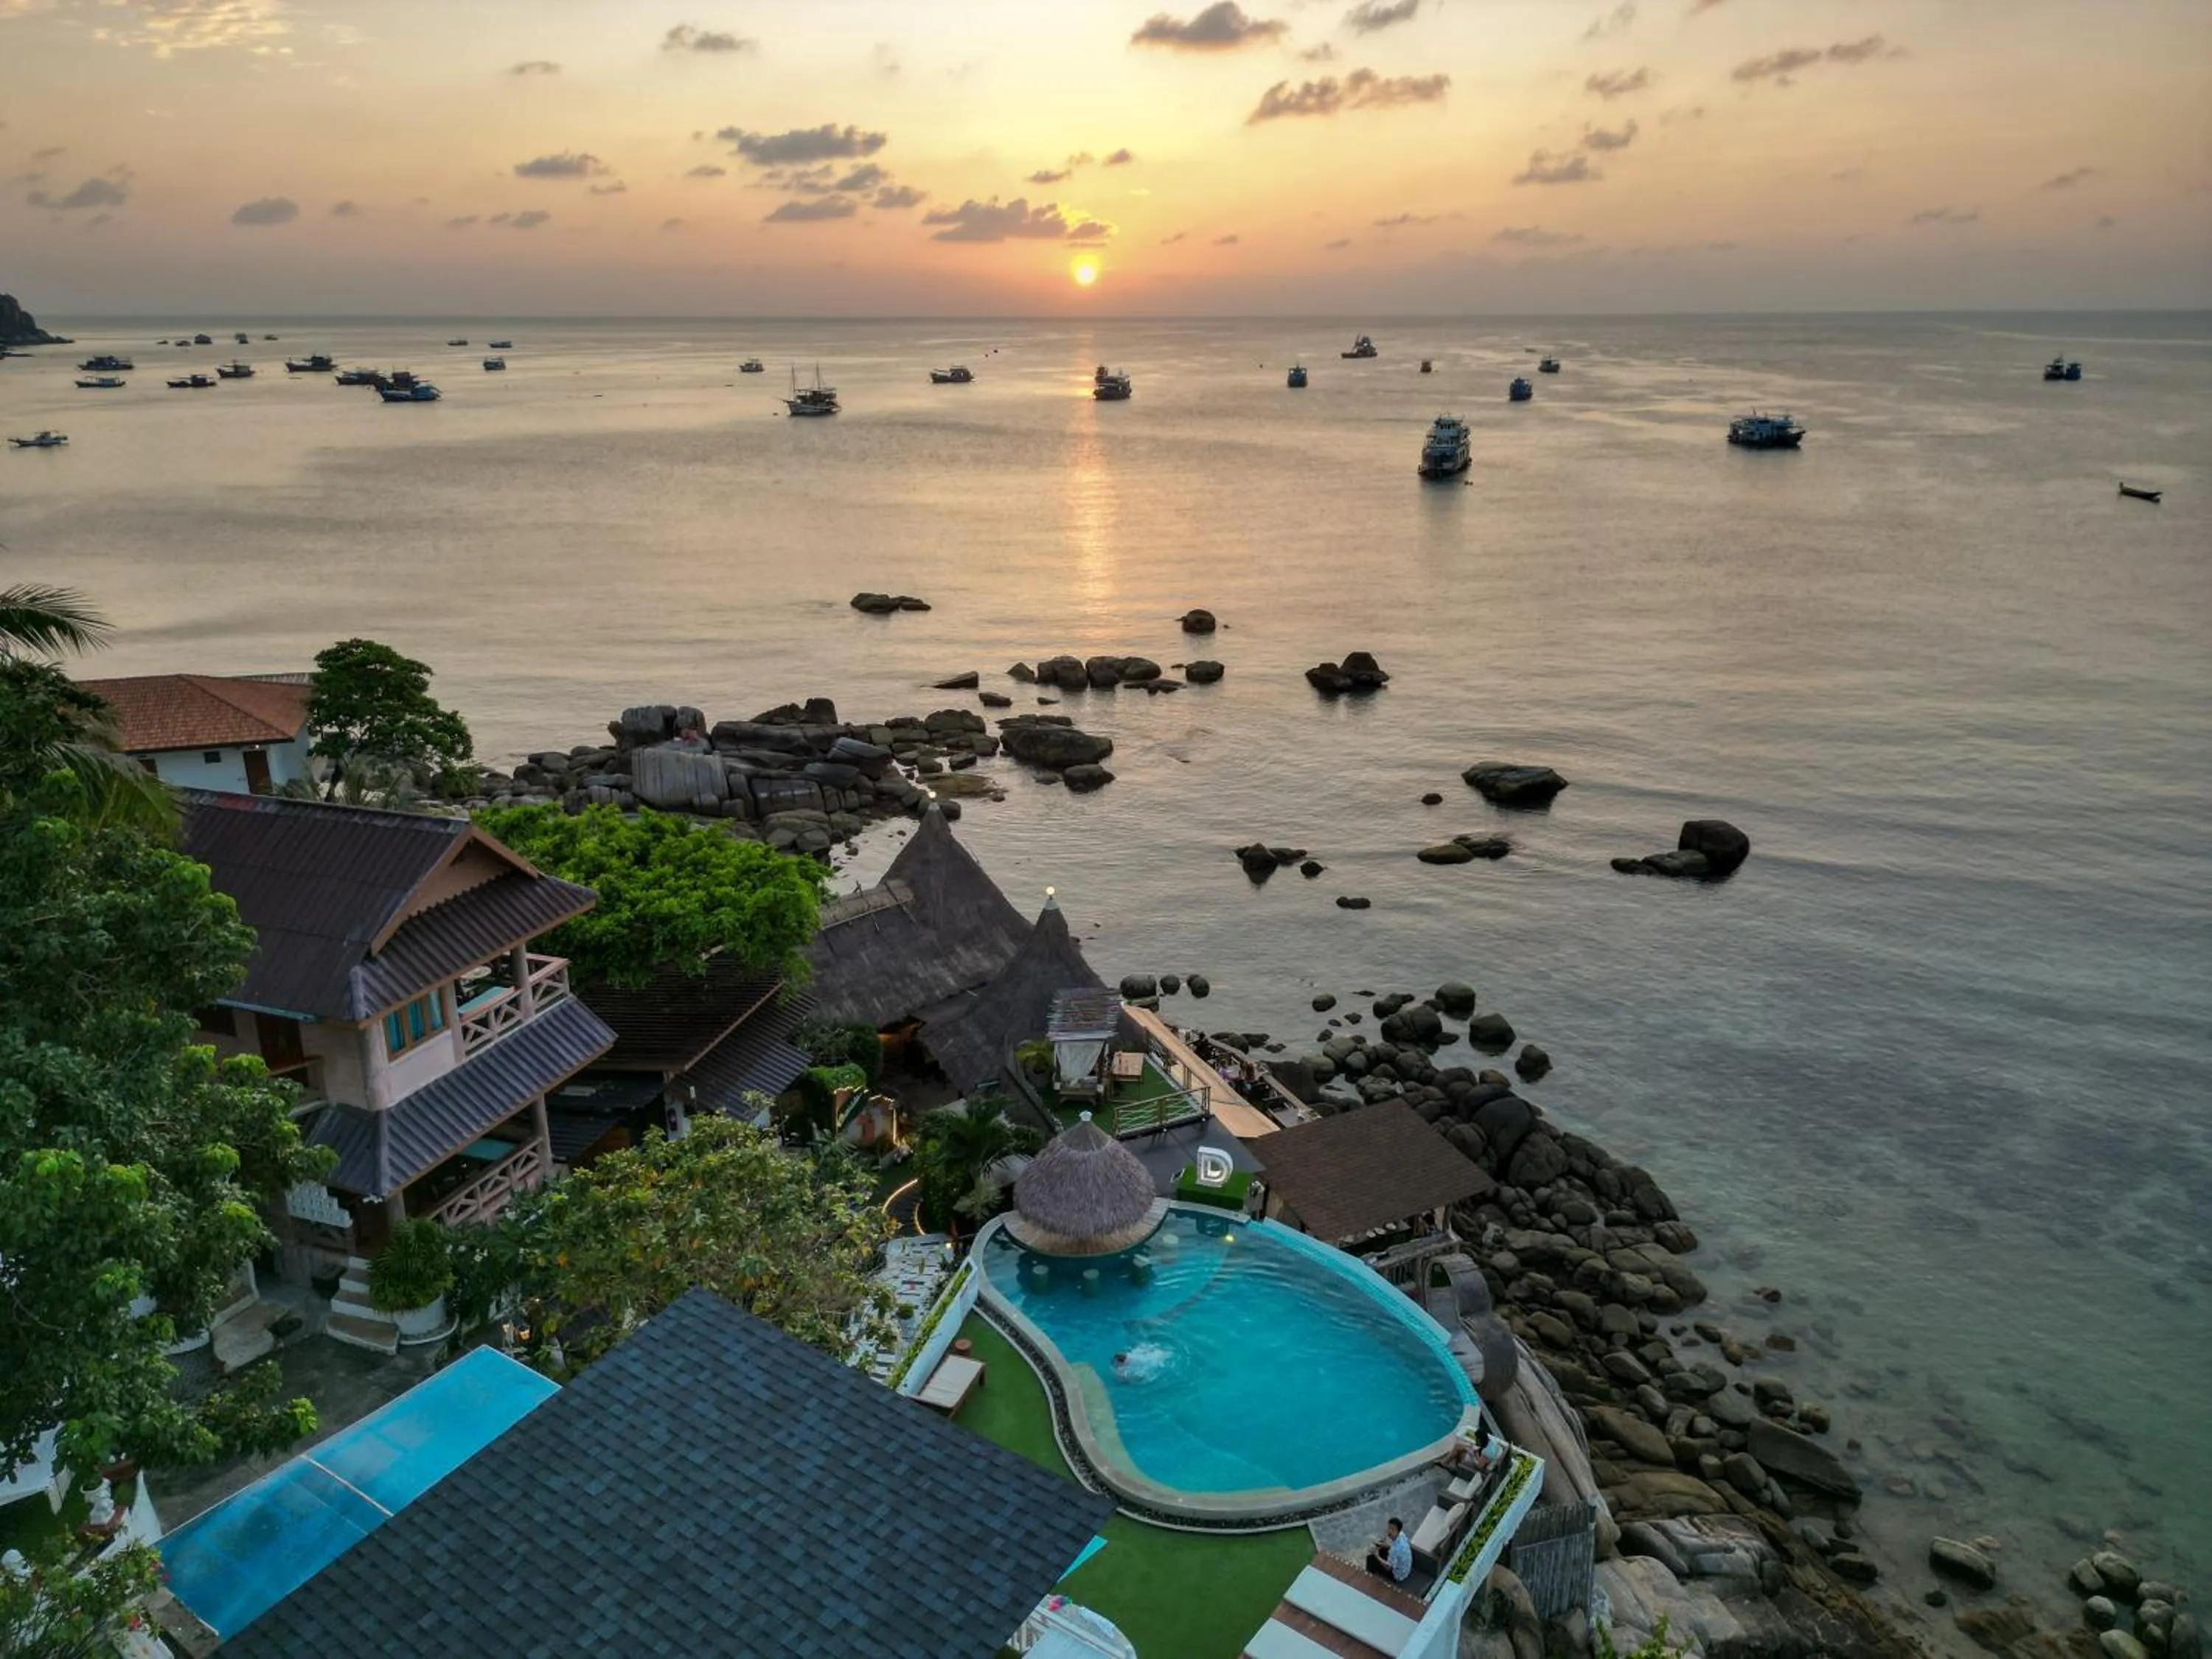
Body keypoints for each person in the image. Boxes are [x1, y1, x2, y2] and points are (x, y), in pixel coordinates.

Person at [1366, 1517, 1412, 1584]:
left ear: (1398, 1531)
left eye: (1392, 1530)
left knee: (1370, 1559)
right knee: (1382, 1551)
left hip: (1398, 1575)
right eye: (1389, 1528)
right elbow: (1393, 1546)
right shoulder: (1402, 1535)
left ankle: (1368, 1577)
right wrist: (1382, 1545)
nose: (1389, 1531)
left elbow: (1388, 1567)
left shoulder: (1395, 1550)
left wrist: (1376, 1555)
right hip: (1405, 1569)